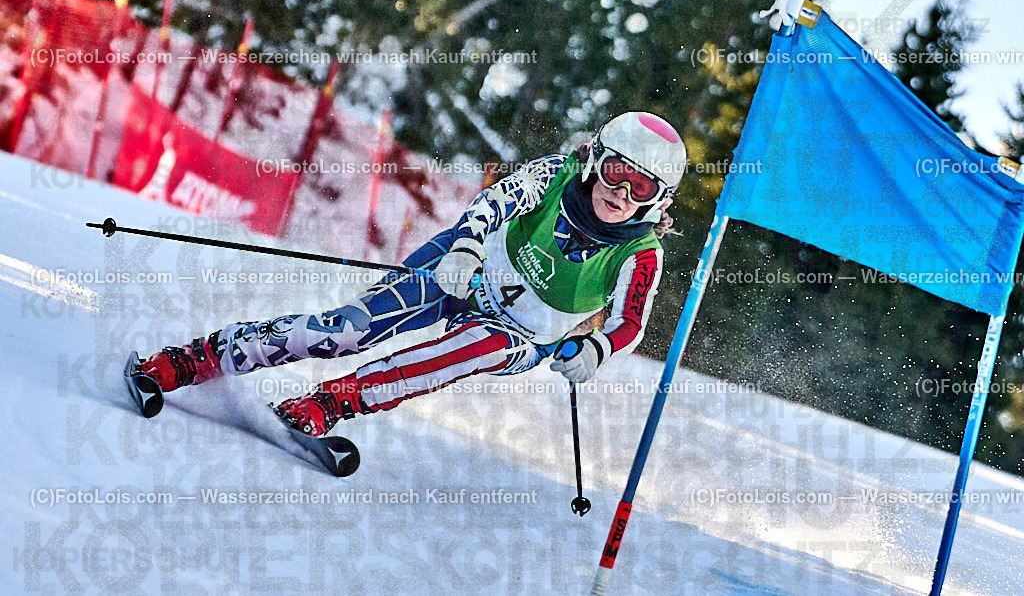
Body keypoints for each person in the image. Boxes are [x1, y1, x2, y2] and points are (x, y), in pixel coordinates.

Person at [135, 111, 688, 436]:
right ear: (595, 161)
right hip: (466, 269)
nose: (620, 193)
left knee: (470, 351)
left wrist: (594, 351)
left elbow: (629, 321)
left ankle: (332, 402)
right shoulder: (557, 175)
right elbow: (500, 200)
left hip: (520, 333)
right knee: (345, 330)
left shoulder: (641, 252)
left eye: (642, 188)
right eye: (616, 172)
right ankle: (195, 358)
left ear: (658, 199)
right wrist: (466, 250)